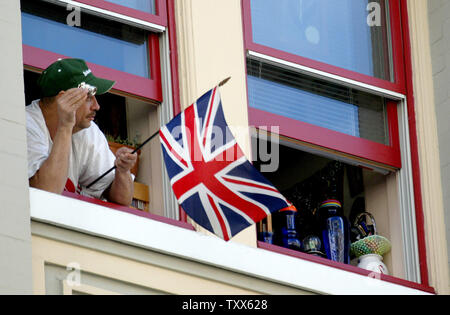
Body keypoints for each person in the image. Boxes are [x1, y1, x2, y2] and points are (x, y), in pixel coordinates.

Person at [26, 58, 137, 206]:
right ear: (63, 100)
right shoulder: (25, 125)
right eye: (88, 97)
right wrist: (65, 126)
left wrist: (122, 171)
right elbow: (46, 194)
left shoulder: (88, 130)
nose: (97, 106)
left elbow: (123, 200)